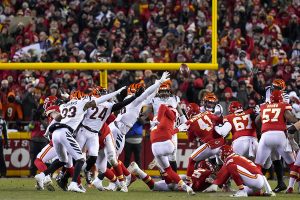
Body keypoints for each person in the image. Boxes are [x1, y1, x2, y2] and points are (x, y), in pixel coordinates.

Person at [34, 87, 125, 193]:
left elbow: (56, 118)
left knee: (67, 162)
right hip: (66, 134)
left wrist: (47, 131)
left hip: (57, 135)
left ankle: (45, 176)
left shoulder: (63, 106)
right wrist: (117, 92)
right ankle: (71, 183)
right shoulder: (81, 104)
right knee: (79, 159)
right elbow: (97, 101)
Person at [255, 90, 298, 192]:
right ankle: (294, 185)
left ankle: (255, 188)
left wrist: (263, 128)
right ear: (280, 98)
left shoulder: (264, 106)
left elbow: (257, 120)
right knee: (293, 164)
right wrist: (297, 121)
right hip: (280, 135)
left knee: (258, 165)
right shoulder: (283, 105)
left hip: (265, 136)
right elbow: (290, 118)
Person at [150, 104, 194, 195]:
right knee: (171, 164)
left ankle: (160, 166)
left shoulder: (158, 118)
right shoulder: (171, 115)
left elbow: (161, 110)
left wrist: (157, 121)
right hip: (167, 144)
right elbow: (162, 106)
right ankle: (186, 187)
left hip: (155, 147)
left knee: (167, 169)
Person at [203, 145, 274, 197]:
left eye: (220, 154)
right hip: (257, 181)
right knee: (246, 190)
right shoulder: (234, 157)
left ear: (223, 154)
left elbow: (222, 178)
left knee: (232, 167)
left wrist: (213, 181)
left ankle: (241, 191)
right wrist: (213, 181)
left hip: (255, 180)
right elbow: (222, 178)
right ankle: (263, 193)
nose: (220, 156)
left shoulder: (230, 160)